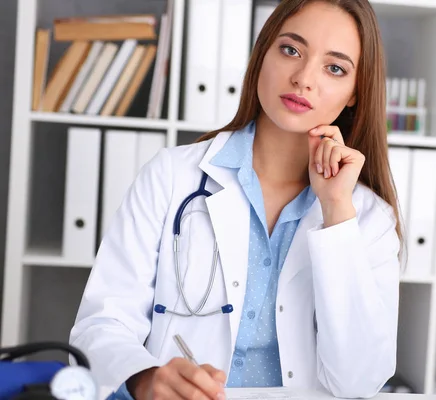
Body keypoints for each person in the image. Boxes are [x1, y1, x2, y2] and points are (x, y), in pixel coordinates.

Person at [69, 0, 404, 399]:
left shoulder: (366, 219)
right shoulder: (171, 176)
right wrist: (143, 378)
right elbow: (102, 324)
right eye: (291, 50)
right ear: (262, 54)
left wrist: (336, 213)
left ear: (354, 92)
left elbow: (359, 383)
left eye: (334, 68)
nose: (303, 78)